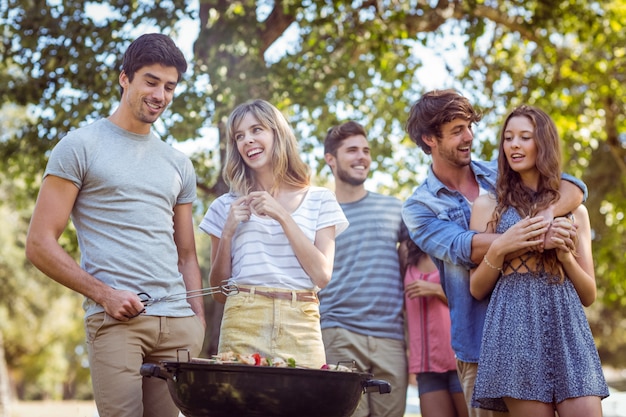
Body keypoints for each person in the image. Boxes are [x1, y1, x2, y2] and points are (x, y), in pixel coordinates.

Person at [25, 33, 206, 417]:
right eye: (151, 81)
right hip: (117, 321)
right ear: (125, 78)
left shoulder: (179, 164)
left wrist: (198, 320)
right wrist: (105, 294)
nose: (160, 95)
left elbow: (187, 253)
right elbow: (39, 243)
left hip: (178, 325)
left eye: (170, 86)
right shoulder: (79, 146)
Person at [401, 89, 587, 417]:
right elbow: (465, 247)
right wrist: (529, 235)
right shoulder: (420, 207)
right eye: (458, 130)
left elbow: (572, 186)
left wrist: (546, 214)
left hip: (544, 329)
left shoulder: (499, 172)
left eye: (470, 126)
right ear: (430, 139)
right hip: (480, 345)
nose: (469, 136)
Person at [469, 105, 609, 416]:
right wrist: (501, 247)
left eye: (524, 137)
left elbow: (589, 294)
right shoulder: (487, 205)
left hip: (568, 325)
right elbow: (477, 289)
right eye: (508, 138)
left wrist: (565, 258)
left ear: (542, 144)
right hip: (513, 326)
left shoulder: (575, 211)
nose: (514, 145)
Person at [199, 99, 348, 369]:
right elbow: (219, 293)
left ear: (277, 134)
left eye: (257, 130)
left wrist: (282, 215)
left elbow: (322, 275)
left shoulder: (321, 200)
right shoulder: (224, 206)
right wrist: (228, 231)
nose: (247, 141)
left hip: (300, 323)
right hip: (243, 319)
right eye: (239, 136)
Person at [320, 121, 408, 417]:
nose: (362, 157)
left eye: (366, 150)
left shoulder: (395, 209)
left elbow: (411, 267)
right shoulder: (317, 212)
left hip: (390, 338)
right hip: (339, 334)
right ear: (330, 159)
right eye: (352, 150)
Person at [399, 238, 468, 417]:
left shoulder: (454, 243)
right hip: (425, 362)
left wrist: (435, 289)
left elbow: (471, 297)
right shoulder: (406, 250)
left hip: (458, 359)